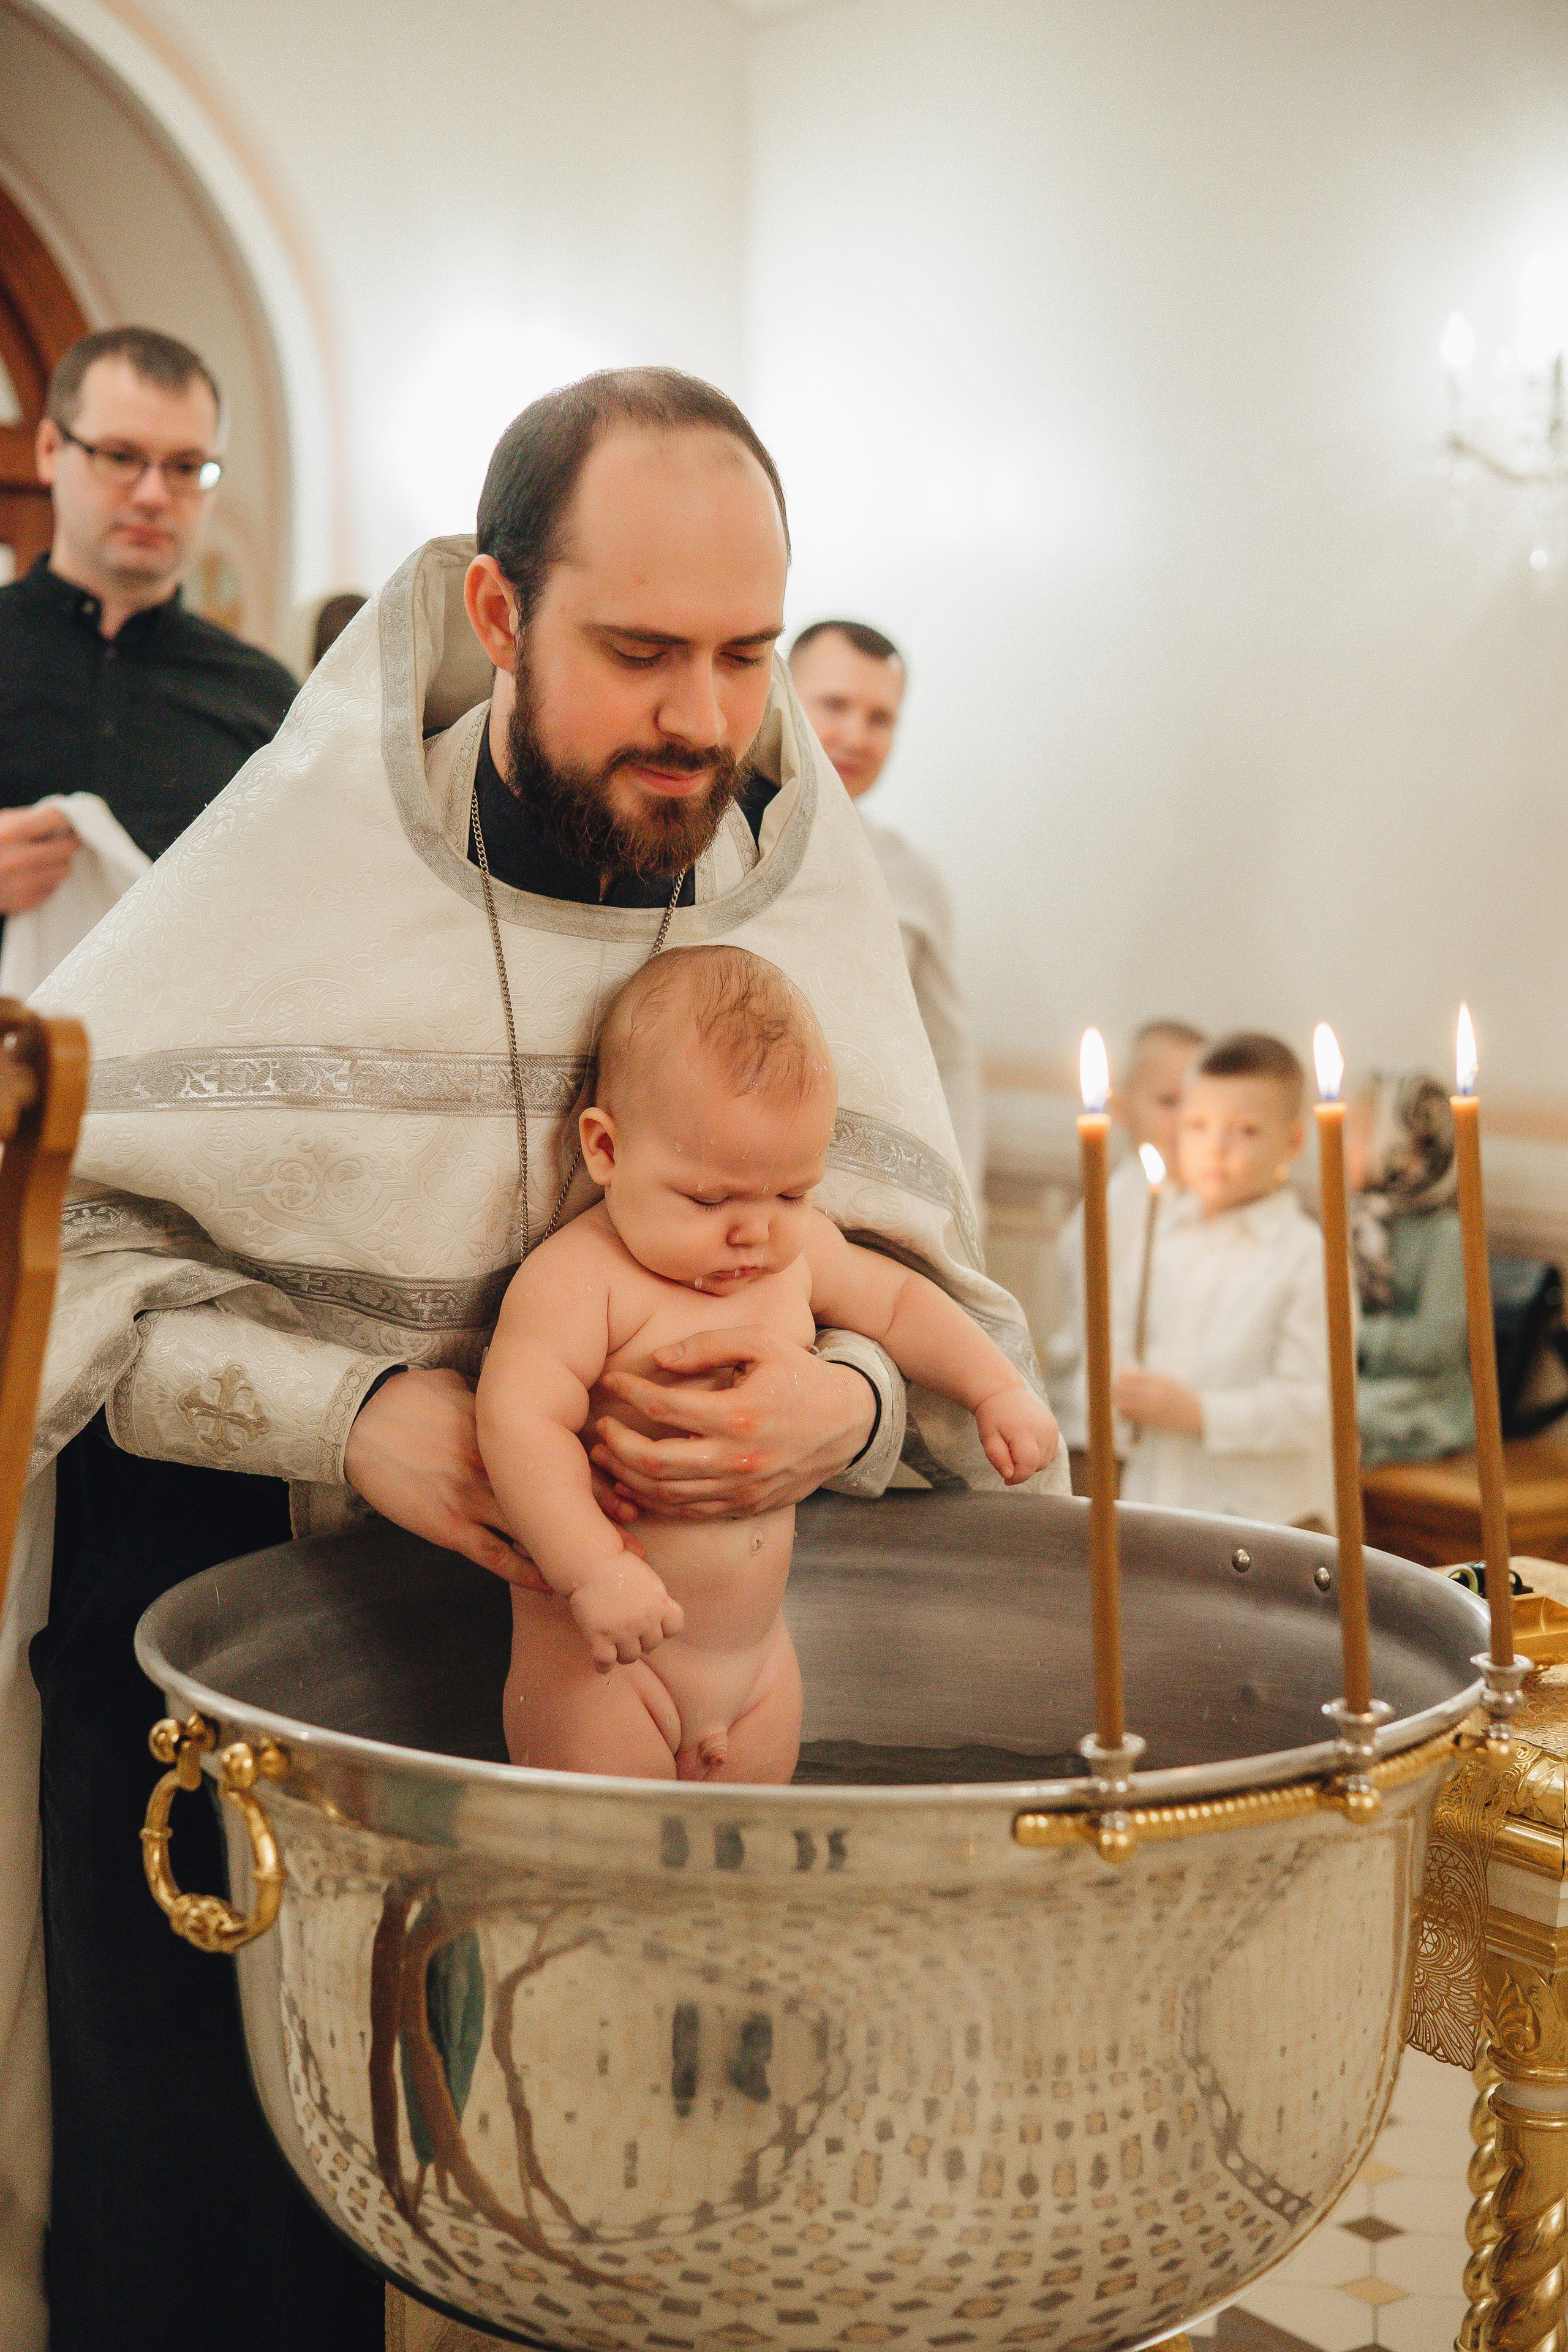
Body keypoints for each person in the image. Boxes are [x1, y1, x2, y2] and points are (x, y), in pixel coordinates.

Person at [20, 367, 1061, 2352]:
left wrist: (835, 1406)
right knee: (228, 2263)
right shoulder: (302, 869)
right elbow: (59, 1265)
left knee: (630, 2233)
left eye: (746, 653)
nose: (706, 717)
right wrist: (356, 1416)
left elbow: (947, 1312)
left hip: (652, 1717)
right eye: (643, 652)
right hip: (257, 1687)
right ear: (497, 615)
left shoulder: (796, 884)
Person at [481, 944, 1059, 1782]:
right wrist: (593, 1570)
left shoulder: (797, 1257)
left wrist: (996, 1387)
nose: (753, 1231)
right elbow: (517, 1421)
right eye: (708, 1198)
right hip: (607, 1666)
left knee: (748, 1859)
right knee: (607, 1856)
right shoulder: (580, 1279)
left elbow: (900, 1304)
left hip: (755, 1671)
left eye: (791, 1193)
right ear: (606, 1149)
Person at [0, 325, 296, 925]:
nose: (156, 495)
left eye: (186, 466)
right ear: (50, 451)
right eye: (120, 457)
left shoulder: (269, 702)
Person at [788, 620, 986, 1193]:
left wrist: (963, 1205)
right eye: (834, 705)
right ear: (781, 696)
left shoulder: (914, 881)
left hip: (860, 1189)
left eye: (880, 719)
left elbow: (947, 1059)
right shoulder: (706, 843)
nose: (855, 736)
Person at [1112, 1031, 1333, 1526]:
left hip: (1268, 1520)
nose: (1215, 1148)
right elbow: (1117, 1344)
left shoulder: (1304, 1254)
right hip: (1155, 1501)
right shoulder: (1159, 1234)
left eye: (1246, 1131)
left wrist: (1198, 1413)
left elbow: (1313, 1406)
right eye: (1197, 1126)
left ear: (1292, 1142)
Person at [1047, 1019, 1206, 1463]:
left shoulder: (1206, 1203)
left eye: (1200, 1104)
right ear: (1120, 1109)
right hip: (1100, 1427)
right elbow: (1104, 1325)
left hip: (1170, 1426)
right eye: (1169, 1102)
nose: (1187, 1119)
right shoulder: (1112, 1208)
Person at [1347, 1070, 1472, 1464]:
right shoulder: (1363, 1222)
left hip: (1427, 1400)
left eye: (1360, 1136)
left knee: (1335, 1416)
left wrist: (1352, 1334)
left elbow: (1435, 1344)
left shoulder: (1447, 1234)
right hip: (1364, 1384)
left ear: (1401, 1146)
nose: (1345, 1148)